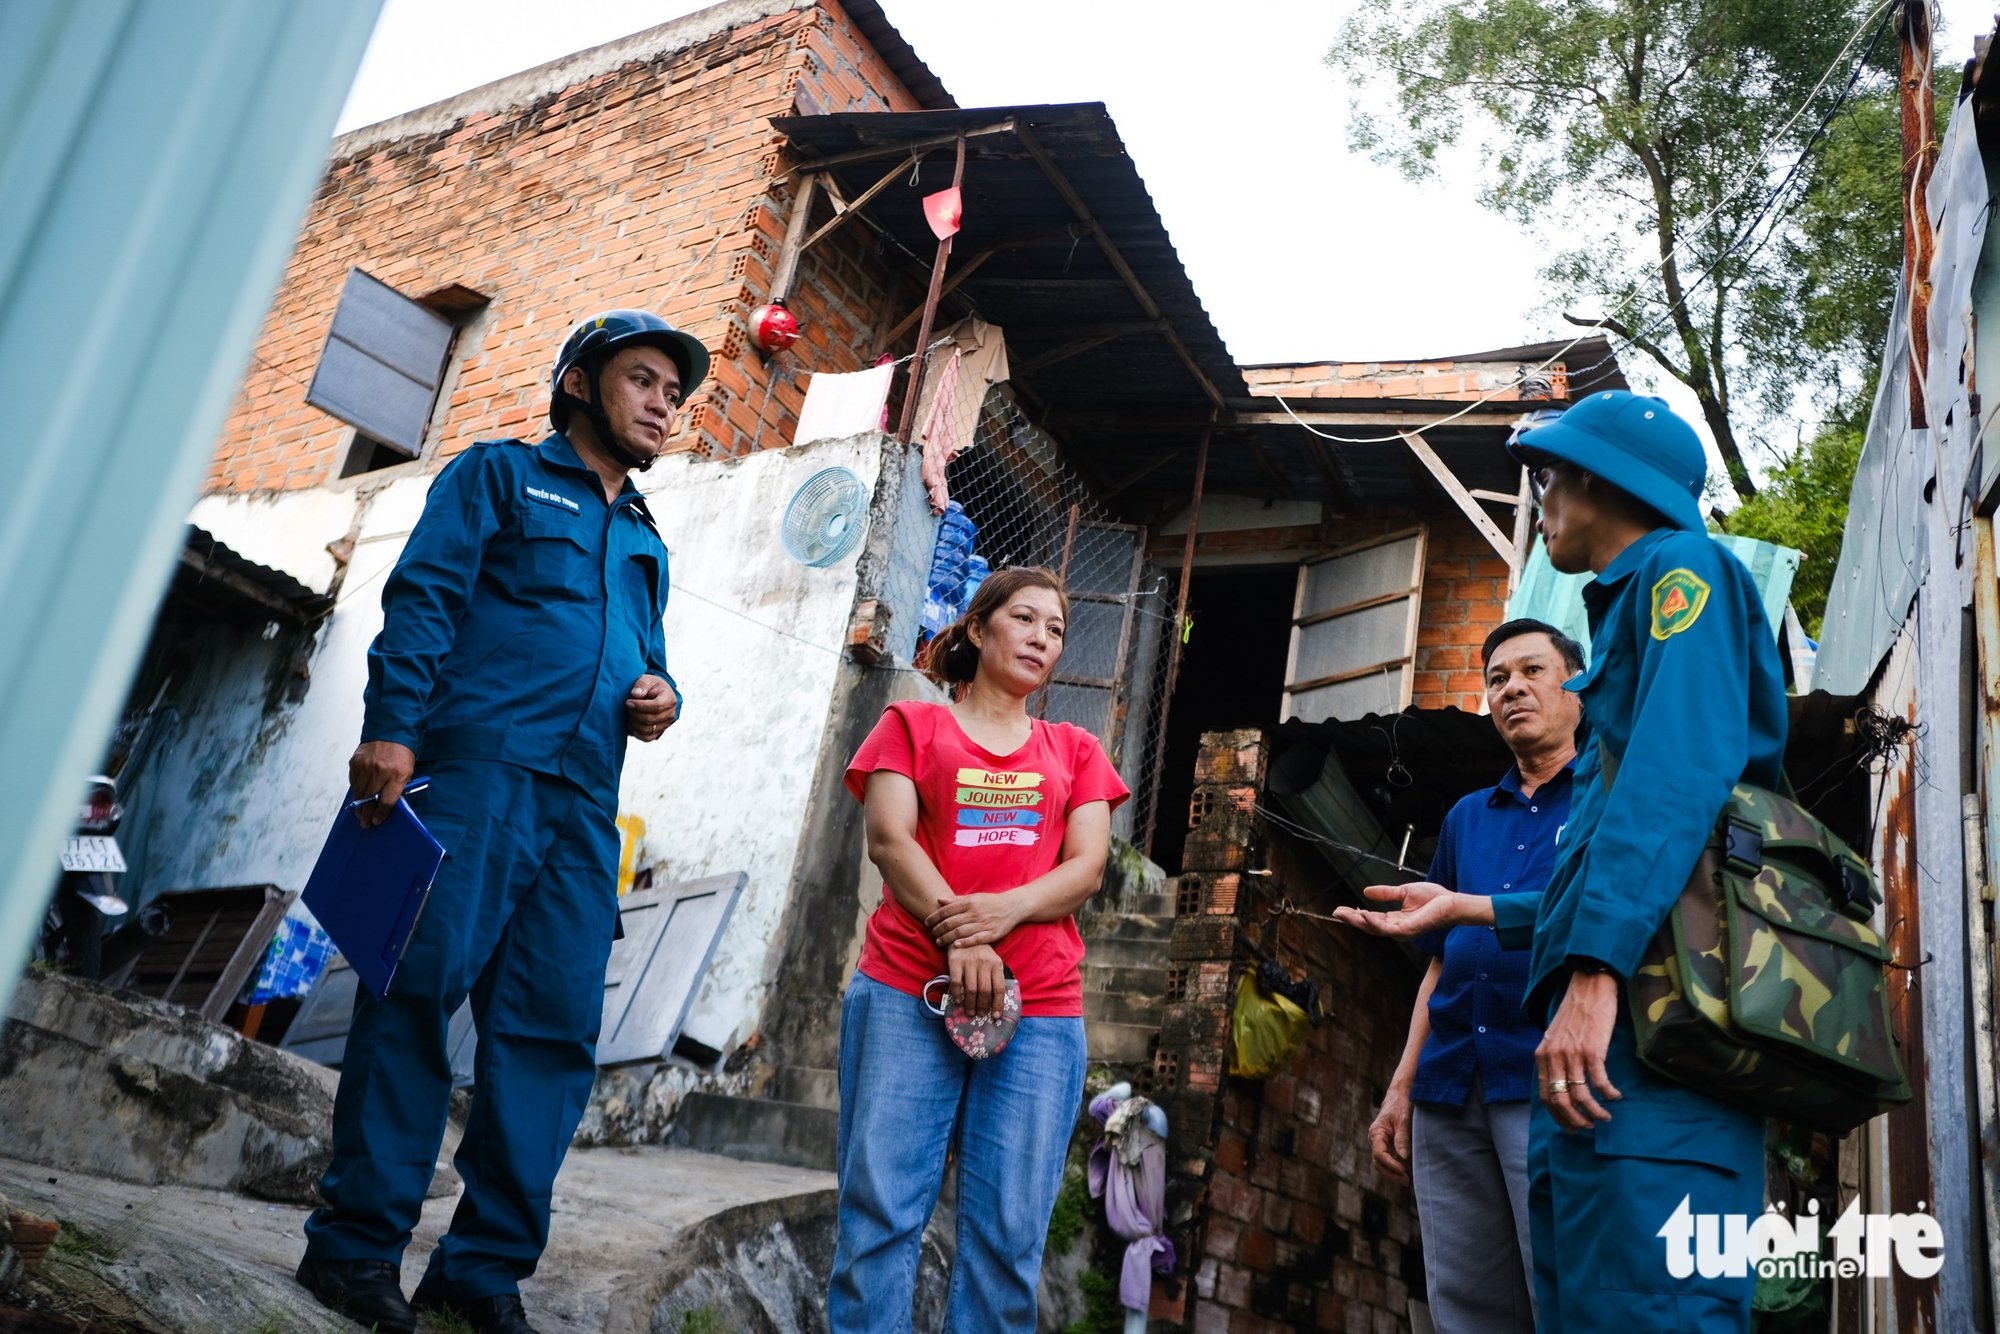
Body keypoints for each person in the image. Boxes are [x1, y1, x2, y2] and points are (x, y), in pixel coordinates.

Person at [295, 309, 709, 1334]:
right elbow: (425, 596)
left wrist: (661, 696)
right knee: (415, 997)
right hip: (475, 773)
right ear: (579, 383)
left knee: (553, 1031)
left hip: (581, 804)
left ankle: (479, 1268)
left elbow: (644, 657)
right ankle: (351, 1249)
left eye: (674, 391)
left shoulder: (646, 540)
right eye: (645, 379)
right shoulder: (495, 475)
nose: (663, 402)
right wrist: (393, 726)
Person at [1510, 391, 1785, 1332]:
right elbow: (1616, 838)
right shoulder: (1629, 609)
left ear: (1596, 477)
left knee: (1655, 1312)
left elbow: (1675, 778)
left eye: (1546, 473)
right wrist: (1476, 913)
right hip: (1611, 1053)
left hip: (1654, 1045)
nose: (1540, 493)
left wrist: (1595, 972)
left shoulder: (1682, 571)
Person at [831, 565, 1129, 1333]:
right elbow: (890, 840)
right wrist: (959, 934)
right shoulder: (910, 725)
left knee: (1007, 1244)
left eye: (1056, 629)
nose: (1040, 637)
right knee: (879, 1222)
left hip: (1039, 1013)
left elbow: (1086, 867)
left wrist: (1001, 914)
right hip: (907, 989)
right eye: (1024, 618)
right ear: (976, 626)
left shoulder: (1075, 749)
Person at [1335, 617, 1584, 1333]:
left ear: (1578, 687)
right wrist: (1402, 1086)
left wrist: (1466, 906)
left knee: (1560, 1293)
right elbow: (1441, 958)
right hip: (1449, 1088)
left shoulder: (1605, 801)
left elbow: (1591, 909)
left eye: (1532, 671)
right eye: (1498, 678)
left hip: (1545, 1082)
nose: (1513, 689)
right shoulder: (1468, 817)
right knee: (1464, 1307)